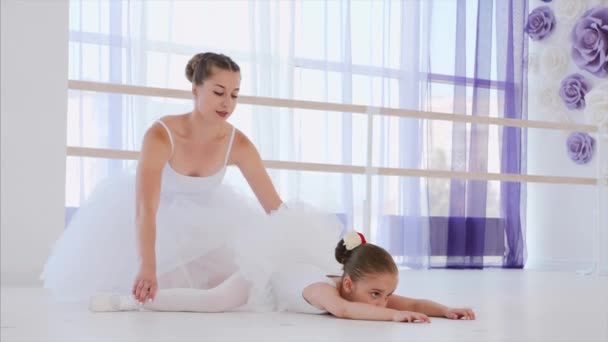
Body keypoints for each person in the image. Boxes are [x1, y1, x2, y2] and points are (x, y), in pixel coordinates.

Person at [41, 52, 343, 306]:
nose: (227, 103)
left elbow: (275, 208)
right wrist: (147, 265)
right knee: (148, 286)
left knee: (247, 282)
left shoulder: (238, 144)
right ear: (195, 90)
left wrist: (312, 251)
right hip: (154, 226)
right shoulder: (162, 135)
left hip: (208, 227)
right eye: (218, 92)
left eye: (235, 95)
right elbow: (146, 209)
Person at [89, 230, 476, 323]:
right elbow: (344, 313)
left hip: (289, 271)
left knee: (215, 295)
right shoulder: (329, 294)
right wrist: (394, 316)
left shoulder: (365, 293)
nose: (384, 300)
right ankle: (132, 299)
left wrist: (446, 310)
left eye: (385, 295)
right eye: (376, 295)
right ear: (347, 284)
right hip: (269, 273)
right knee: (217, 301)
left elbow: (411, 302)